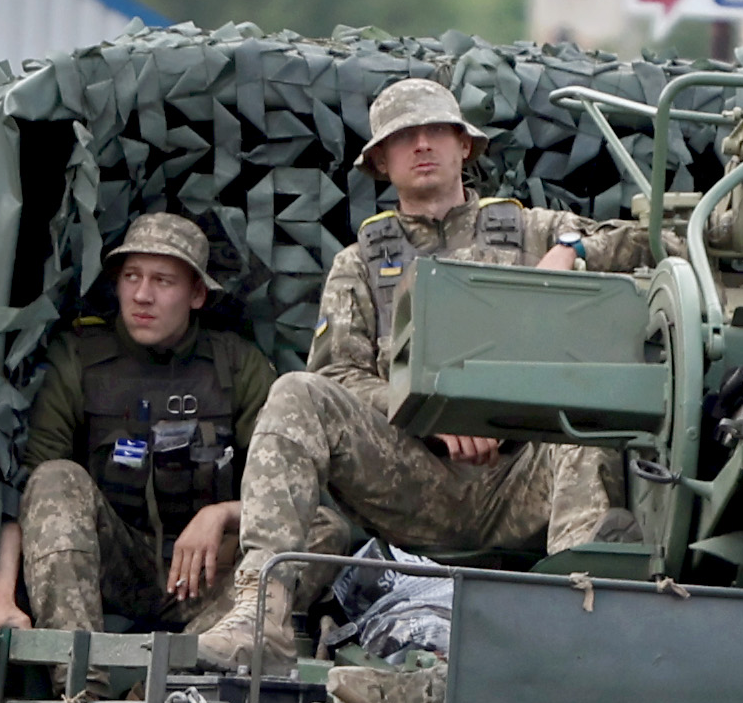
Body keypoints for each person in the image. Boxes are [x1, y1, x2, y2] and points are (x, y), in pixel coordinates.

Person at [199, 78, 650, 669]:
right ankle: (261, 613)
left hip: (526, 477)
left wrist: (573, 248)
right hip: (414, 483)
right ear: (381, 163)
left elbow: (655, 239)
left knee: (593, 414)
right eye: (403, 138)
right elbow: (339, 375)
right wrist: (428, 412)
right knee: (296, 393)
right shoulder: (359, 264)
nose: (421, 146)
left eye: (435, 131)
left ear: (464, 146)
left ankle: (575, 626)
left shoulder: (531, 230)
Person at [0, 214, 278, 665]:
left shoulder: (237, 365)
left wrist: (223, 515)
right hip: (114, 567)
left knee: (317, 530)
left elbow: (287, 487)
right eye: (131, 276)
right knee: (56, 478)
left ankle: (184, 664)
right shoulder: (80, 357)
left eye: (163, 281)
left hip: (212, 580)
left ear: (196, 294)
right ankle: (79, 687)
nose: (142, 295)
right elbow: (29, 493)